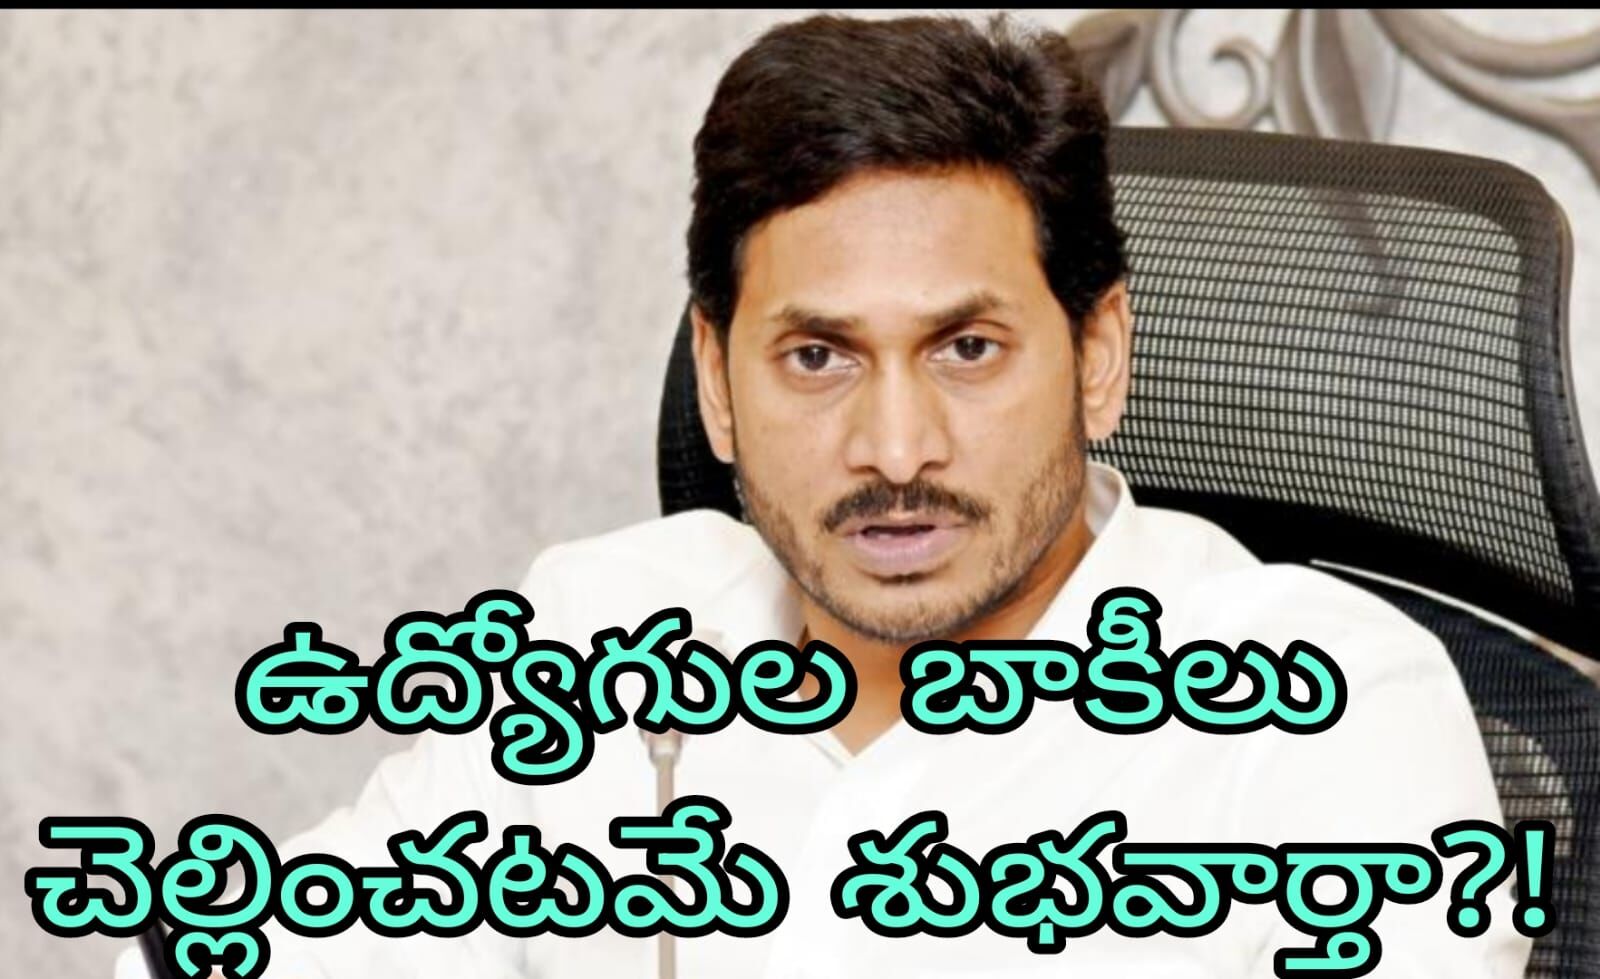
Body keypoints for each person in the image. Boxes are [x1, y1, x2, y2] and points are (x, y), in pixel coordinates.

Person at [118, 12, 1529, 979]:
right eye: (817, 357)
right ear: (719, 383)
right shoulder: (605, 628)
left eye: (967, 349)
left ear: (1096, 356)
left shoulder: (1324, 709)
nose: (895, 448)